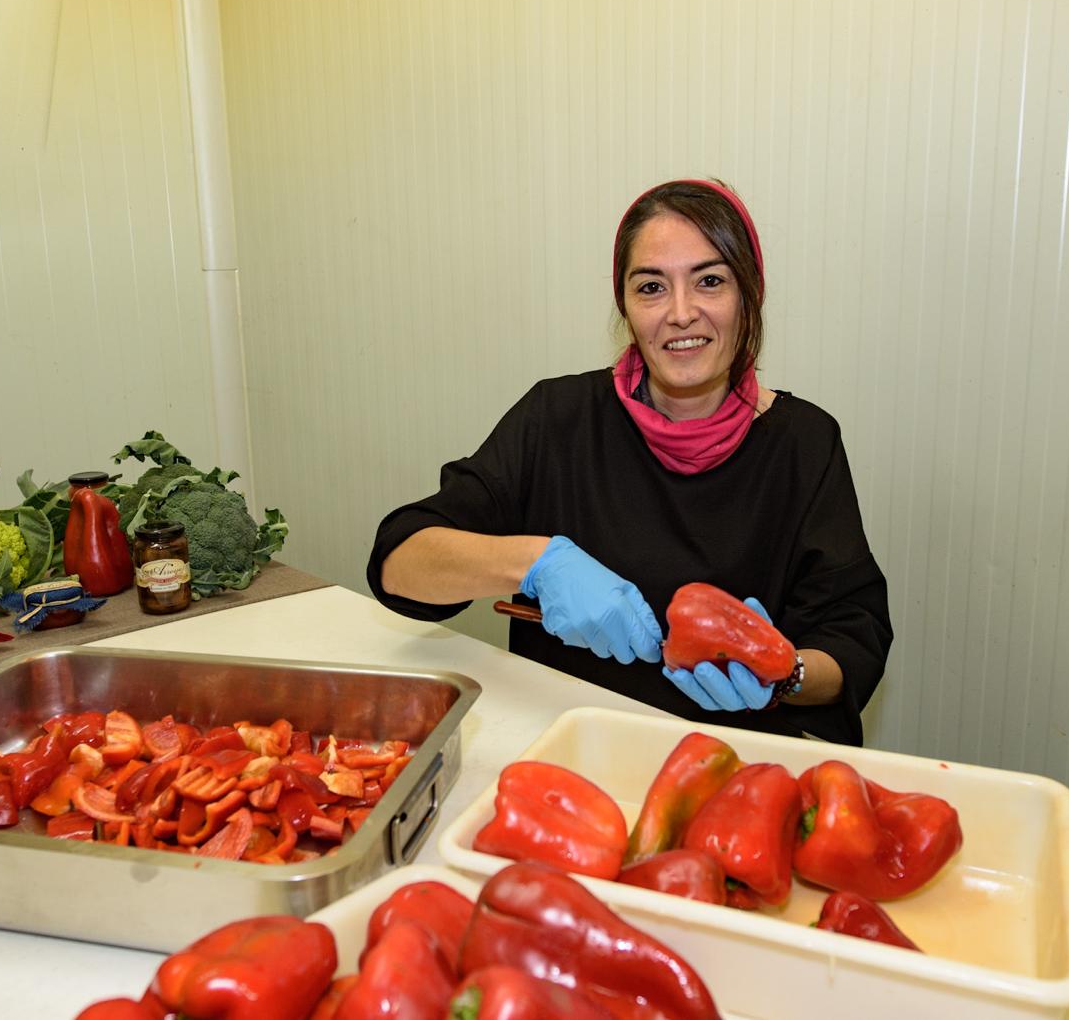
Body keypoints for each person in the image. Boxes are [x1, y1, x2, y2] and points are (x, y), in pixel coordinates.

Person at [366, 179, 892, 745]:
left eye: (710, 281)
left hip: (730, 764)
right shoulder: (557, 418)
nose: (681, 313)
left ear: (750, 295)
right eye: (651, 287)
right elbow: (399, 561)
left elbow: (853, 642)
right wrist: (534, 561)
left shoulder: (804, 441)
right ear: (625, 306)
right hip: (568, 750)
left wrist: (781, 674)